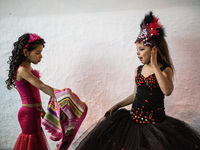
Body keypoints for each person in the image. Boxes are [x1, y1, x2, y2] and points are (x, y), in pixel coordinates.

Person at [75, 12, 200, 150]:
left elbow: (167, 91)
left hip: (155, 125)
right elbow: (135, 95)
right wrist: (118, 104)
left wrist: (155, 66)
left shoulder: (165, 70)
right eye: (137, 50)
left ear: (154, 50)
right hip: (133, 120)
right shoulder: (138, 70)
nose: (138, 53)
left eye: (141, 49)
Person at [6, 33, 55, 150]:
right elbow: (41, 86)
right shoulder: (22, 70)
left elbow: (33, 93)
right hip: (28, 114)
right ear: (25, 52)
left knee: (36, 142)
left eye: (41, 52)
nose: (41, 56)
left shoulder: (28, 69)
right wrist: (59, 94)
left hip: (34, 112)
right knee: (31, 143)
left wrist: (40, 108)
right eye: (37, 53)